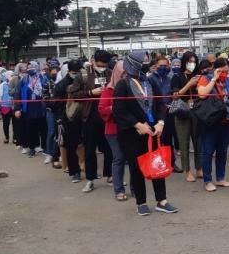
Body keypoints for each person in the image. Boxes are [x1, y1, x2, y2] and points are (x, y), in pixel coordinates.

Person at [112, 50, 178, 216]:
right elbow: (119, 111)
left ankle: (161, 201)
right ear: (133, 64)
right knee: (136, 168)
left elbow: (161, 104)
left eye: (148, 61)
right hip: (132, 135)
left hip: (154, 131)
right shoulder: (122, 85)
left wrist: (161, 122)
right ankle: (141, 202)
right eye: (144, 61)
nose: (147, 64)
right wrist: (136, 124)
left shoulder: (150, 82)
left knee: (157, 164)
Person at [68, 50, 113, 193]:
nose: (103, 67)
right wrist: (90, 93)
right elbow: (73, 94)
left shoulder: (110, 74)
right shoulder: (83, 75)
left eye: (105, 64)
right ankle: (90, 179)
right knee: (90, 150)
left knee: (109, 149)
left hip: (107, 117)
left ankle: (110, 175)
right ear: (93, 61)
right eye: (100, 64)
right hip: (89, 117)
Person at [197, 58, 229, 192]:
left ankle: (220, 178)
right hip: (211, 120)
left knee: (223, 151)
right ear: (215, 69)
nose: (224, 73)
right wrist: (214, 79)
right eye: (221, 71)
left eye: (226, 71)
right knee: (207, 151)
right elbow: (202, 94)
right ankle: (207, 180)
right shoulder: (206, 78)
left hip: (226, 120)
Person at [98, 61, 128, 201]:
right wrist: (114, 107)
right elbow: (102, 109)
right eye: (122, 74)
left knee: (133, 159)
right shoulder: (108, 90)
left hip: (130, 129)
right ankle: (118, 189)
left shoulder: (132, 86)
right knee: (119, 158)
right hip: (113, 130)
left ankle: (135, 188)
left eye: (127, 74)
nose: (125, 77)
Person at [171, 51, 202, 182]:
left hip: (197, 110)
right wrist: (189, 84)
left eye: (194, 62)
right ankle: (187, 170)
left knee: (198, 141)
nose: (192, 64)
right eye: (190, 61)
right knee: (184, 142)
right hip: (182, 111)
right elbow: (175, 95)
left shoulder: (198, 75)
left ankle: (199, 168)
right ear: (184, 62)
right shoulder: (177, 76)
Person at [13, 61, 48, 158]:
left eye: (31, 67)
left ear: (37, 67)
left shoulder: (43, 78)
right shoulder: (24, 79)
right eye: (28, 68)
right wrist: (17, 108)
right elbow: (17, 94)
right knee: (30, 129)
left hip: (41, 108)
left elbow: (48, 91)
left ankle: (44, 147)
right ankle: (31, 148)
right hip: (28, 108)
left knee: (43, 128)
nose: (29, 69)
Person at [0, 70, 16, 145]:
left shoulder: (16, 84)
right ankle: (6, 137)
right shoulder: (2, 85)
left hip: (14, 107)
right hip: (5, 107)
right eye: (11, 76)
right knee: (6, 123)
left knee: (15, 123)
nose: (12, 77)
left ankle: (15, 138)